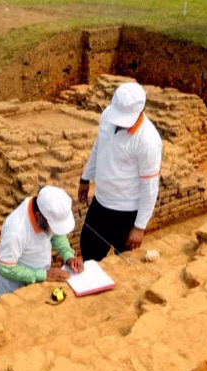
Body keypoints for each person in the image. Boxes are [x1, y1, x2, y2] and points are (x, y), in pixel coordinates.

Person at [78, 82, 162, 261]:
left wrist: (139, 227)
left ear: (140, 111)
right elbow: (98, 147)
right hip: (100, 203)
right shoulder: (107, 116)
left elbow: (150, 187)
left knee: (123, 261)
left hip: (126, 212)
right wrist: (86, 178)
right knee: (89, 250)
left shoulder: (148, 140)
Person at [0, 186, 84, 298]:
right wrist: (44, 275)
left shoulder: (45, 208)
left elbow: (57, 235)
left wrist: (68, 255)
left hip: (38, 279)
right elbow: (6, 268)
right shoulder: (16, 231)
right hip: (13, 290)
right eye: (52, 225)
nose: (53, 229)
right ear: (38, 215)